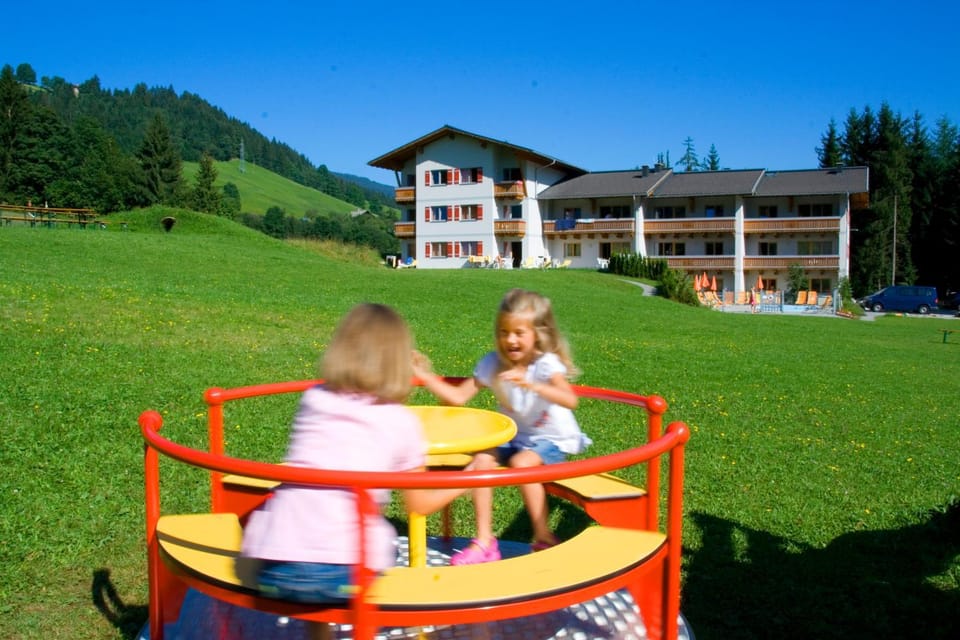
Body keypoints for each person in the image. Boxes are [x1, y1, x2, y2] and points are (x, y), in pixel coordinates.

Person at [240, 303, 469, 609]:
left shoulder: (314, 398)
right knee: (386, 550)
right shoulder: (401, 421)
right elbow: (419, 503)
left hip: (275, 562)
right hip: (343, 572)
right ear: (398, 361)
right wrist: (470, 476)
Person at [413, 288, 590, 565]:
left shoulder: (545, 365)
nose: (510, 340)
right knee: (482, 457)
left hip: (552, 439)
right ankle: (484, 542)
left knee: (522, 463)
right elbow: (458, 397)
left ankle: (543, 535)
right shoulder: (492, 363)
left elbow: (570, 399)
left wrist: (532, 384)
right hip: (514, 437)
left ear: (538, 334)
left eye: (519, 332)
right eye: (504, 332)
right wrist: (425, 375)